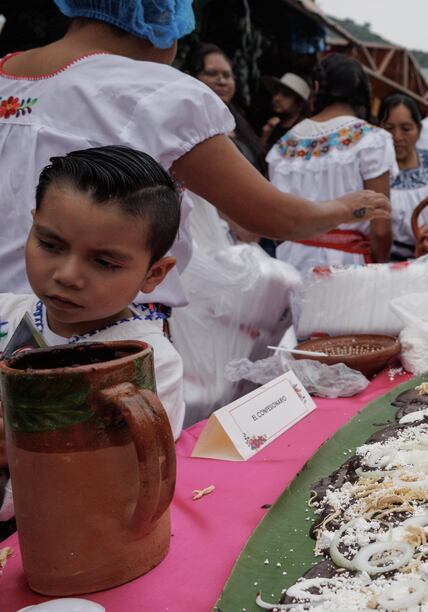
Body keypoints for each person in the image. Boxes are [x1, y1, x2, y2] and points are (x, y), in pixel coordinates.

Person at [0, 0, 391, 309]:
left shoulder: (6, 75)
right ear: (162, 19)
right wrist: (347, 207)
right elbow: (277, 217)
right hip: (99, 339)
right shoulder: (158, 95)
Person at [0, 146, 185, 440]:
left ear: (154, 274)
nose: (67, 276)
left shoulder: (148, 363)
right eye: (50, 244)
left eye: (104, 263)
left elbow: (132, 469)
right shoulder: (5, 312)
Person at [268, 54, 395, 272]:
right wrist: (378, 263)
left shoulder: (283, 145)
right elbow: (381, 228)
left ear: (316, 87)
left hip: (290, 262)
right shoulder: (372, 139)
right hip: (349, 265)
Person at [378, 94, 428, 261]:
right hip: (388, 263)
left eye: (406, 129)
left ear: (418, 131)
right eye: (389, 128)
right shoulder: (375, 169)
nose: (397, 137)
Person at [183, 43, 266, 174]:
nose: (222, 81)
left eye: (227, 75)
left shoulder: (238, 123)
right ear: (193, 77)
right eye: (211, 73)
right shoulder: (186, 124)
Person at [260, 72, 311, 157]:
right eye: (276, 92)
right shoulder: (273, 125)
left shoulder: (304, 132)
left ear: (300, 104)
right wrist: (265, 136)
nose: (277, 98)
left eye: (286, 94)